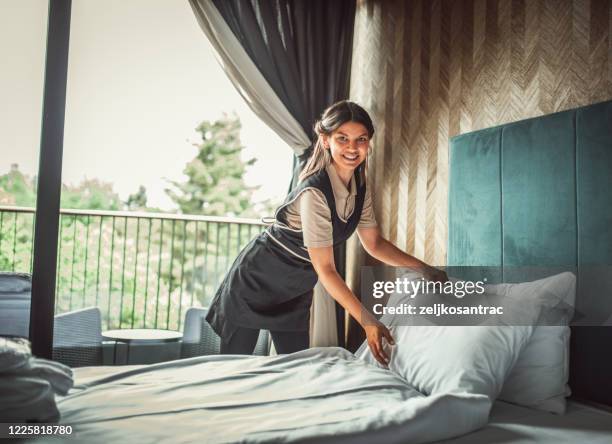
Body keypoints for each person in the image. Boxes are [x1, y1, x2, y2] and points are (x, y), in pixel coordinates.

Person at [206, 100, 448, 366]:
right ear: (325, 140)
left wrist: (425, 269)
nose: (353, 148)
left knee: (295, 369)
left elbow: (375, 244)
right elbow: (326, 270)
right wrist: (369, 322)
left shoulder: (360, 187)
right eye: (342, 138)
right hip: (256, 281)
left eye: (361, 139)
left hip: (294, 289)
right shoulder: (315, 192)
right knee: (231, 369)